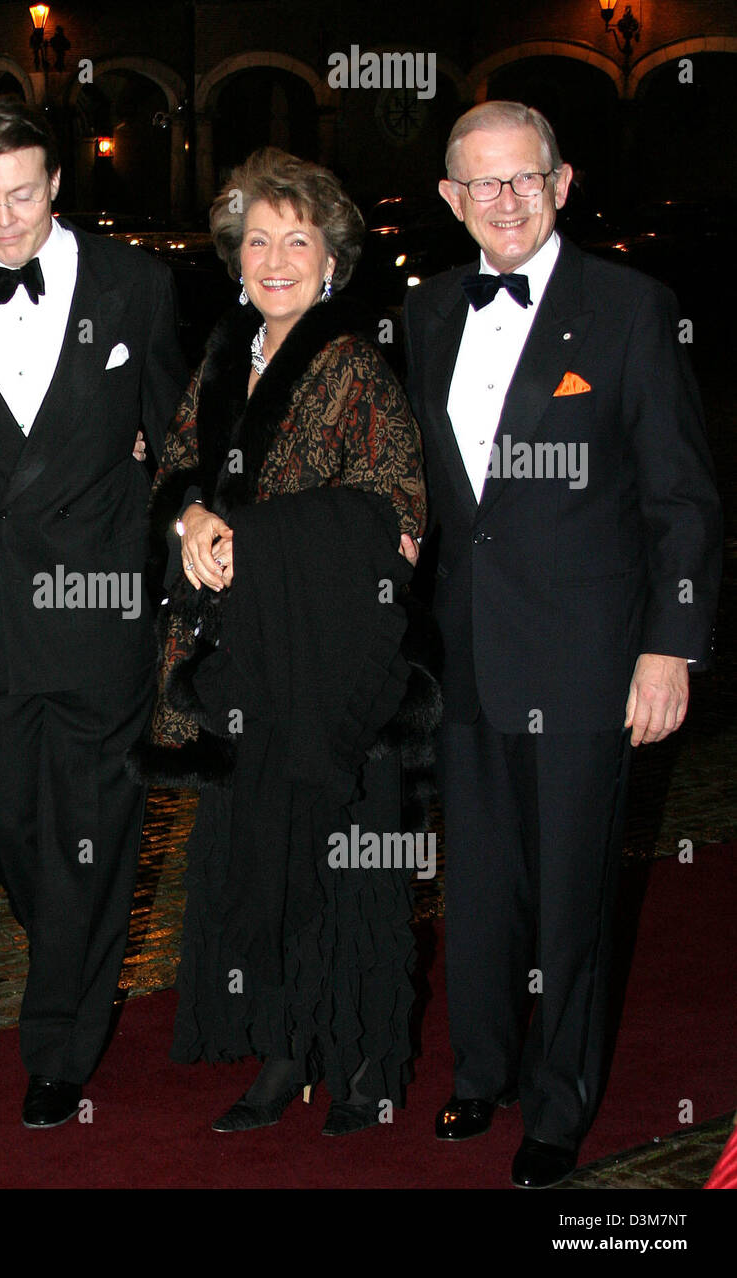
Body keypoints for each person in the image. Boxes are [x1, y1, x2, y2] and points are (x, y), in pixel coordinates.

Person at [402, 101, 722, 1187]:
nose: (502, 201)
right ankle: (481, 1069)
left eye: (522, 179)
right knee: (481, 887)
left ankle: (558, 1104)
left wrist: (669, 646)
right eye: (479, 184)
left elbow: (681, 499)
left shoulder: (631, 308)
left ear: (561, 182)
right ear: (449, 200)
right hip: (465, 656)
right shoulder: (430, 309)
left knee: (574, 893)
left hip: (589, 658)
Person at [132, 148, 429, 1137]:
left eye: (295, 239)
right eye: (256, 240)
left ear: (331, 257)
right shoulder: (227, 355)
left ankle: (365, 1062)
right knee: (262, 865)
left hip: (338, 668)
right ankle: (283, 1048)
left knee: (347, 865)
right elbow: (177, 465)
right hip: (245, 665)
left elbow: (395, 514)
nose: (273, 258)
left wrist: (251, 536)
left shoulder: (355, 364)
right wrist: (191, 525)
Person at [0, 99, 186, 1128]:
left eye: (21, 194)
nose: (3, 219)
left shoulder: (135, 284)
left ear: (56, 182)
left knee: (95, 828)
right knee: (17, 825)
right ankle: (67, 954)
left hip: (102, 605)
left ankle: (61, 1044)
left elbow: (176, 435)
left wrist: (192, 522)